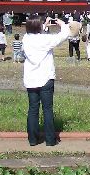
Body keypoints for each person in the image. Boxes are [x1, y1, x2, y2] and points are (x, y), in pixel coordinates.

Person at [22, 16, 69, 146]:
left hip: (31, 79)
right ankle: (50, 140)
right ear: (39, 27)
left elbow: (35, 32)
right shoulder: (45, 40)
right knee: (47, 109)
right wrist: (62, 24)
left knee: (33, 109)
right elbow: (63, 36)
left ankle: (32, 140)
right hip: (46, 78)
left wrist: (44, 25)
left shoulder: (25, 39)